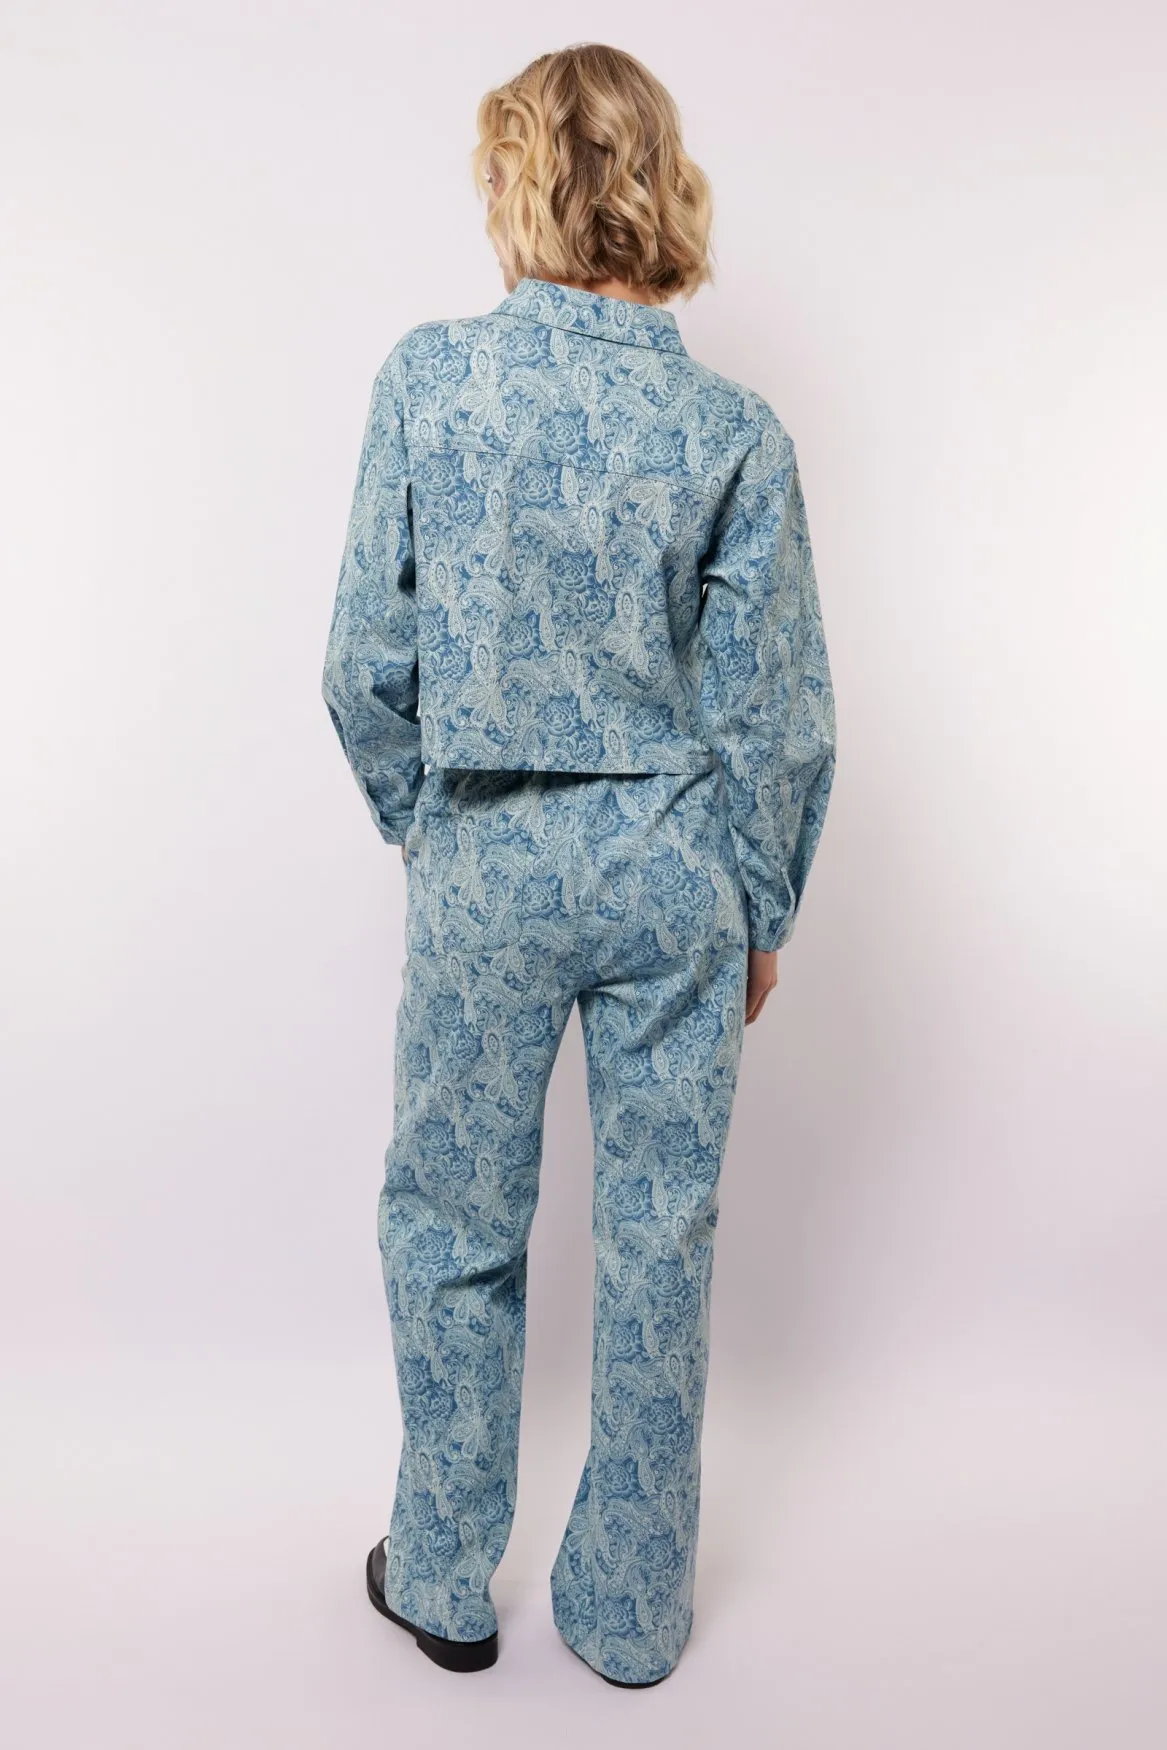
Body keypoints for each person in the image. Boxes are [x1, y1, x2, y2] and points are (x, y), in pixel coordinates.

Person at [321, 42, 837, 1688]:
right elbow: (775, 709)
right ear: (657, 186)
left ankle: (443, 1573)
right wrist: (760, 902)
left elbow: (361, 660)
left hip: (485, 857)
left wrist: (432, 821)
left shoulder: (430, 381)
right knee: (658, 1236)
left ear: (518, 182)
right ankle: (625, 1613)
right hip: (672, 872)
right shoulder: (731, 428)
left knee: (450, 1216)